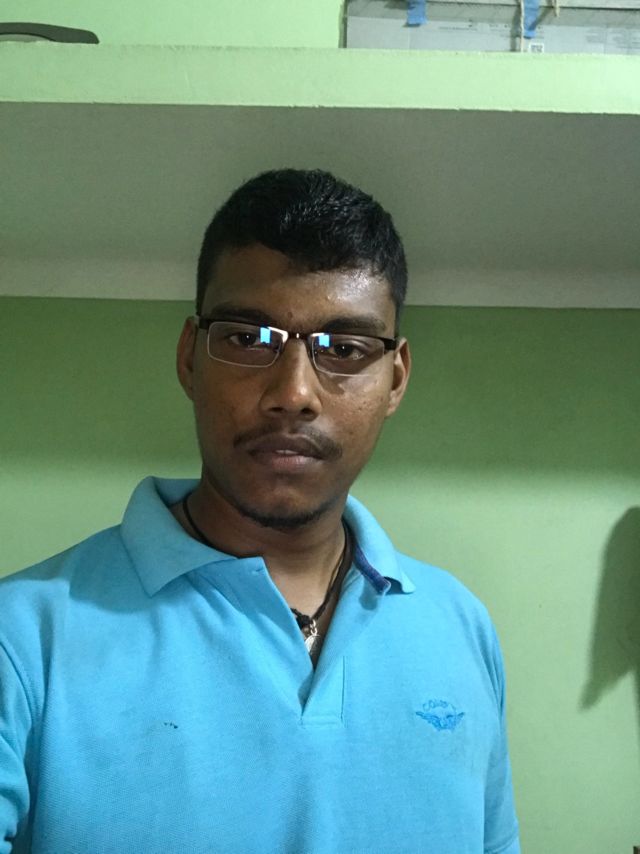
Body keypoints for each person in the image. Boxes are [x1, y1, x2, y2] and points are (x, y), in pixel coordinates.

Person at [0, 169, 520, 854]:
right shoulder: (23, 638)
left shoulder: (461, 628)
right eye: (249, 338)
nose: (294, 393)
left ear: (395, 379)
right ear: (190, 358)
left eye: (345, 349)